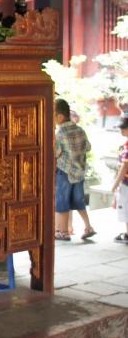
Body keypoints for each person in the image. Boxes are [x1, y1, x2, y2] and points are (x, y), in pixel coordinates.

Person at [54, 98, 95, 242]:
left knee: (62, 202)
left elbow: (56, 153)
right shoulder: (80, 130)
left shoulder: (60, 133)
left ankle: (63, 232)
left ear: (60, 117)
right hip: (79, 173)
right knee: (78, 201)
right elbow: (88, 147)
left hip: (64, 172)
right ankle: (88, 227)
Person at [111, 115, 128, 244]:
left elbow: (124, 166)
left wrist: (115, 184)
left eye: (124, 128)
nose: (121, 130)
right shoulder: (125, 144)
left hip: (126, 183)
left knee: (126, 209)